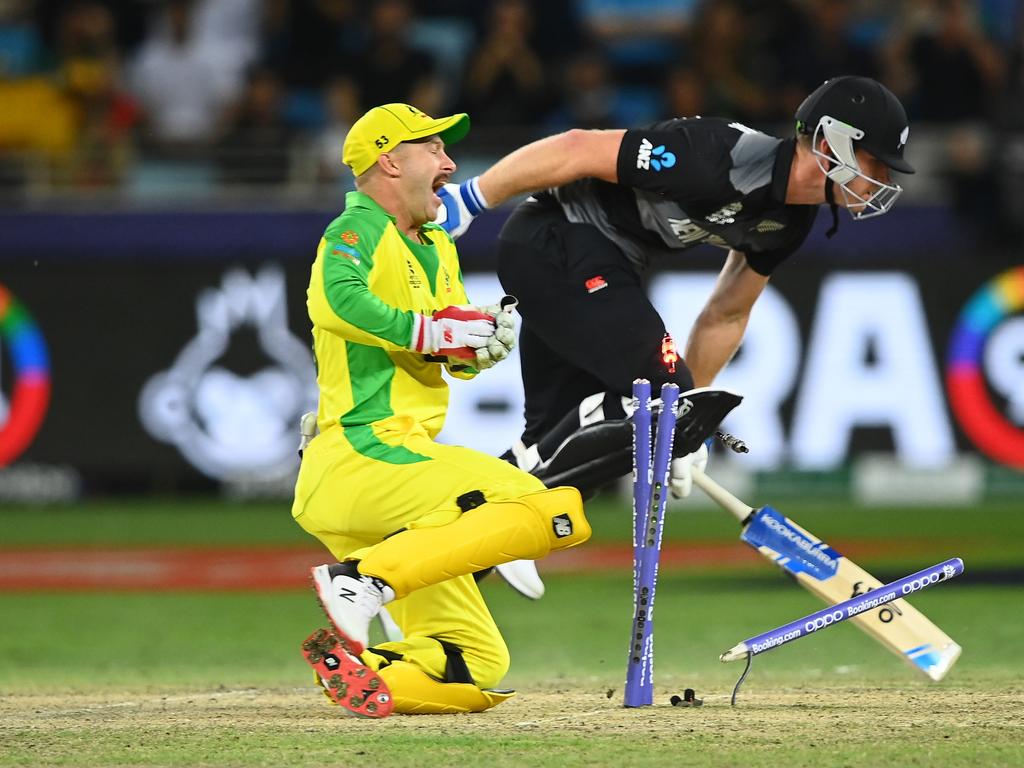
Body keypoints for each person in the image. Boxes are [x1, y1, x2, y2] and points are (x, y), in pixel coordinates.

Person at [437, 74, 913, 513]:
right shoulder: (716, 154)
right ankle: (516, 497)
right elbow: (578, 147)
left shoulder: (789, 222)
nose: (885, 180)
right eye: (878, 161)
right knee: (652, 403)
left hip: (595, 267)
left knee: (564, 458)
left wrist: (689, 429)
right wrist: (474, 197)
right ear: (833, 144)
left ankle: (452, 551)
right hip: (554, 242)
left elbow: (727, 314)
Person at [291, 103, 594, 718]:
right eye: (433, 149)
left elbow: (445, 350)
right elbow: (335, 303)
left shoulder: (435, 245)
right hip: (362, 452)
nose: (450, 163)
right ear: (388, 161)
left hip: (391, 483)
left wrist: (478, 346)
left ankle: (367, 668)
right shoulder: (356, 230)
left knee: (477, 661)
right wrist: (429, 332)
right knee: (546, 508)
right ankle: (364, 583)